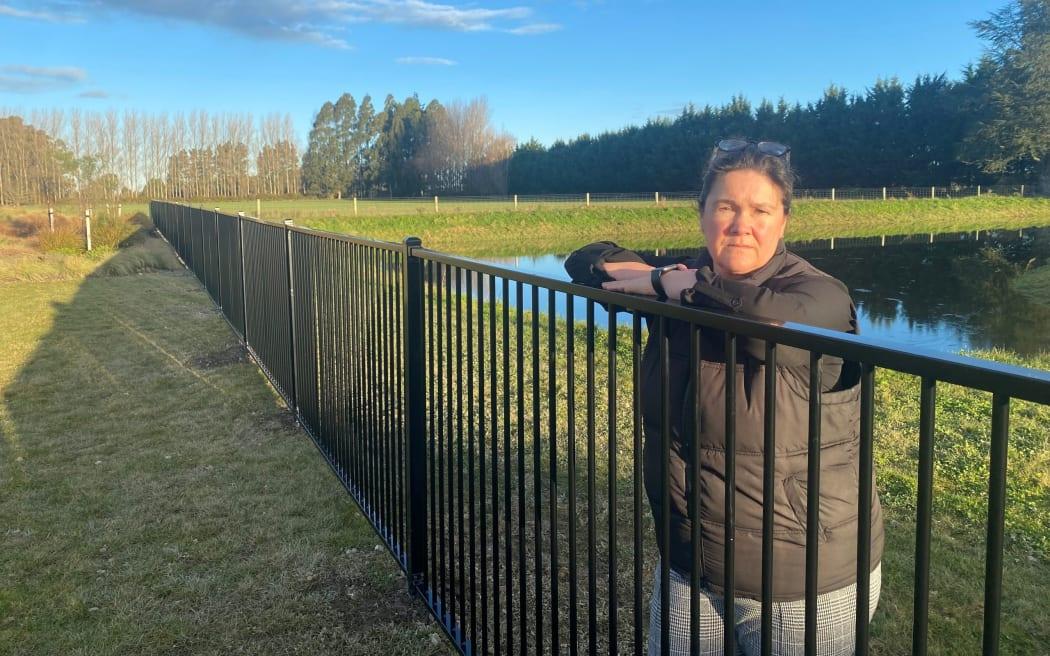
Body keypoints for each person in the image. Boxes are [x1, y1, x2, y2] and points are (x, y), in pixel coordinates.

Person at [564, 139, 884, 656]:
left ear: (783, 221)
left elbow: (762, 323)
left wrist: (680, 289)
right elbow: (586, 260)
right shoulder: (686, 281)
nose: (741, 224)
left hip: (802, 582)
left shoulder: (821, 295)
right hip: (691, 564)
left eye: (761, 209)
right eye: (726, 207)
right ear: (702, 215)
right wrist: (660, 277)